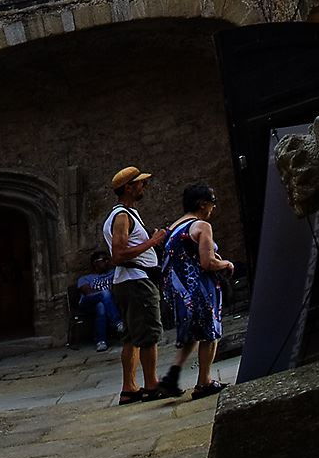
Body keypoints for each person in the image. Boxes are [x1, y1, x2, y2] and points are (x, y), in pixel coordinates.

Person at [155, 181, 235, 399]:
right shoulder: (202, 226)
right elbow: (207, 263)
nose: (213, 208)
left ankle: (171, 376)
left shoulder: (174, 228)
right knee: (210, 334)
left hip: (180, 292)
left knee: (193, 333)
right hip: (200, 288)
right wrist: (227, 264)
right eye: (212, 203)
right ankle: (204, 382)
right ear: (202, 204)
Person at [105, 163, 168, 404]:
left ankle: (129, 388)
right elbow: (118, 254)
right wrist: (153, 241)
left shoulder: (126, 214)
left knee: (131, 338)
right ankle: (152, 385)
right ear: (128, 188)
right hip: (136, 282)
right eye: (140, 182)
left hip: (129, 281)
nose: (145, 185)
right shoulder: (122, 216)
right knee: (148, 335)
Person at [72, 250, 123, 350]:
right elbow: (88, 292)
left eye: (108, 259)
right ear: (95, 263)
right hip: (88, 303)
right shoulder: (85, 278)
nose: (107, 262)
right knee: (105, 293)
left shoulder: (113, 273)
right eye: (104, 260)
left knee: (101, 306)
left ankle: (101, 341)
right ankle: (118, 323)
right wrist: (105, 294)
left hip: (106, 303)